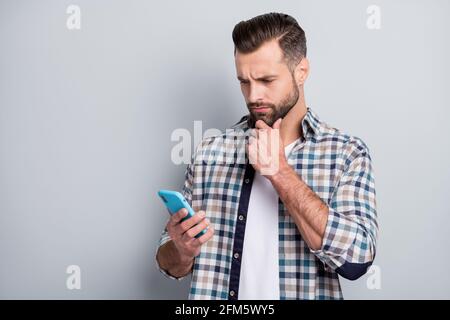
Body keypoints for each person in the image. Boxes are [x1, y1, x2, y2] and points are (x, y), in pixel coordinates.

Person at [156, 12, 378, 300]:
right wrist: (181, 251)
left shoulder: (346, 153)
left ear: (301, 71)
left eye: (266, 80)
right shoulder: (210, 153)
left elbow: (356, 261)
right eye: (244, 81)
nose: (253, 95)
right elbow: (167, 263)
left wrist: (280, 172)